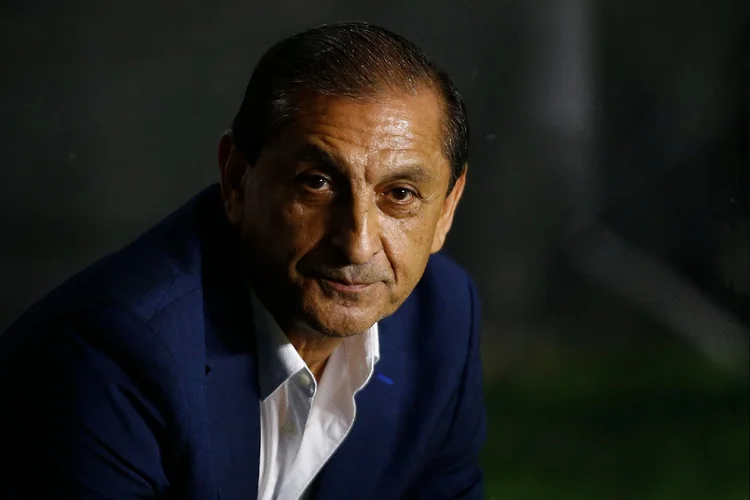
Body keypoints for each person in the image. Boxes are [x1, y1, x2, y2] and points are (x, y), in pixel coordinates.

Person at [0, 21, 486, 499]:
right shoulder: (111, 356)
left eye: (400, 194)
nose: (357, 243)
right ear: (236, 178)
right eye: (316, 182)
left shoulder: (443, 317)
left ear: (446, 208)